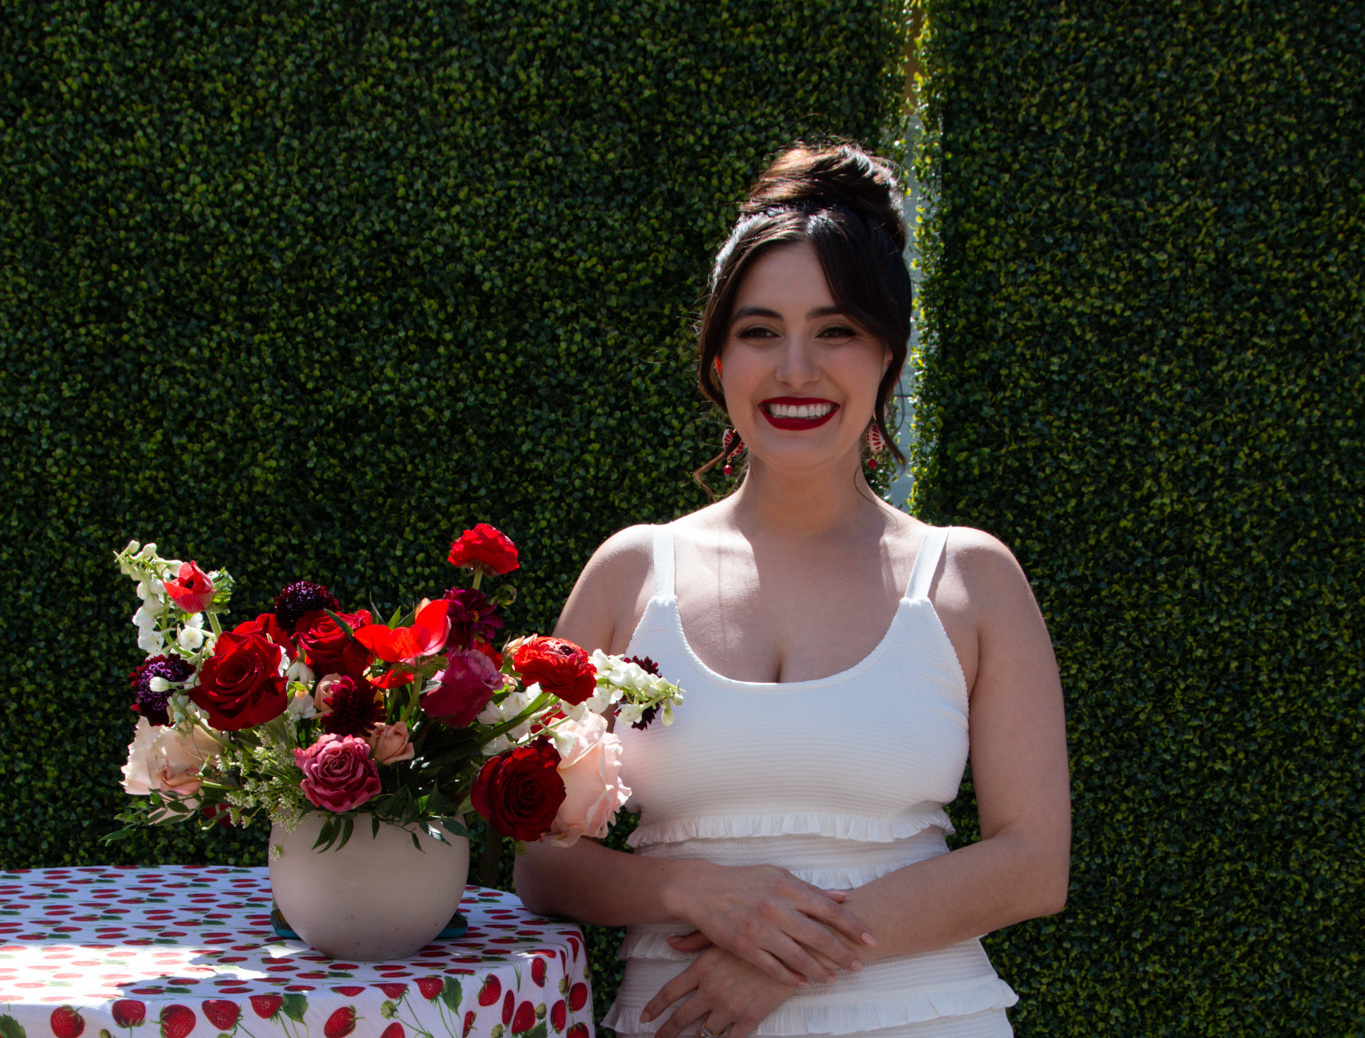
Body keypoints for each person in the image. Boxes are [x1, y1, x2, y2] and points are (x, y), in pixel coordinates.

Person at [514, 142, 1071, 1038]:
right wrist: (691, 888)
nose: (796, 369)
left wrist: (775, 960)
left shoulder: (969, 577)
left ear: (886, 354)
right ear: (719, 359)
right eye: (760, 330)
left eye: (836, 330)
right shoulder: (630, 572)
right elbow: (541, 860)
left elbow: (1031, 862)